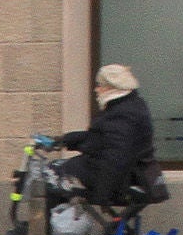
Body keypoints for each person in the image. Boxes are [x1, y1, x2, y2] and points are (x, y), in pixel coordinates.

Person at [58, 63, 156, 208]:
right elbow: (101, 139)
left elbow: (115, 155)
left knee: (53, 178)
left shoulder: (122, 113)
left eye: (100, 85)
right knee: (59, 171)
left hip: (119, 179)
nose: (96, 89)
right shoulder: (127, 106)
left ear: (112, 87)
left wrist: (102, 194)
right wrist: (64, 140)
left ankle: (52, 227)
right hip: (127, 173)